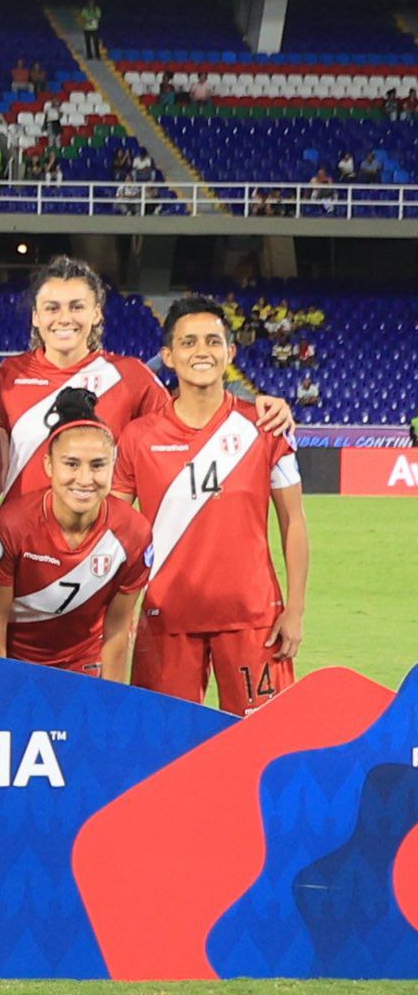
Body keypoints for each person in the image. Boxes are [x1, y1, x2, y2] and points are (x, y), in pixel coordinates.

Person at [114, 295, 309, 715]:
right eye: (187, 343)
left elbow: (293, 521)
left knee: (264, 747)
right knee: (165, 752)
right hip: (164, 617)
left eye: (212, 341)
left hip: (254, 618)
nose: (201, 352)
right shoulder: (137, 437)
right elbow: (115, 534)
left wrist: (295, 610)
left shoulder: (266, 427)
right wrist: (117, 615)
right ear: (168, 356)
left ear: (230, 352)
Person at [0, 256, 290, 501]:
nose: (64, 318)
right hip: (21, 548)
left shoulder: (131, 377)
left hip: (98, 553)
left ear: (96, 313)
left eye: (77, 306)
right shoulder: (7, 376)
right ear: (35, 316)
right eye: (52, 308)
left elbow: (189, 424)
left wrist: (254, 404)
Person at [0, 388, 152, 680]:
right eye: (71, 464)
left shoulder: (133, 534)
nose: (85, 480)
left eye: (98, 465)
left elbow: (118, 631)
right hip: (16, 662)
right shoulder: (11, 526)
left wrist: (110, 703)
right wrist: (2, 694)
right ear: (49, 465)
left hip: (80, 664)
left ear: (113, 466)